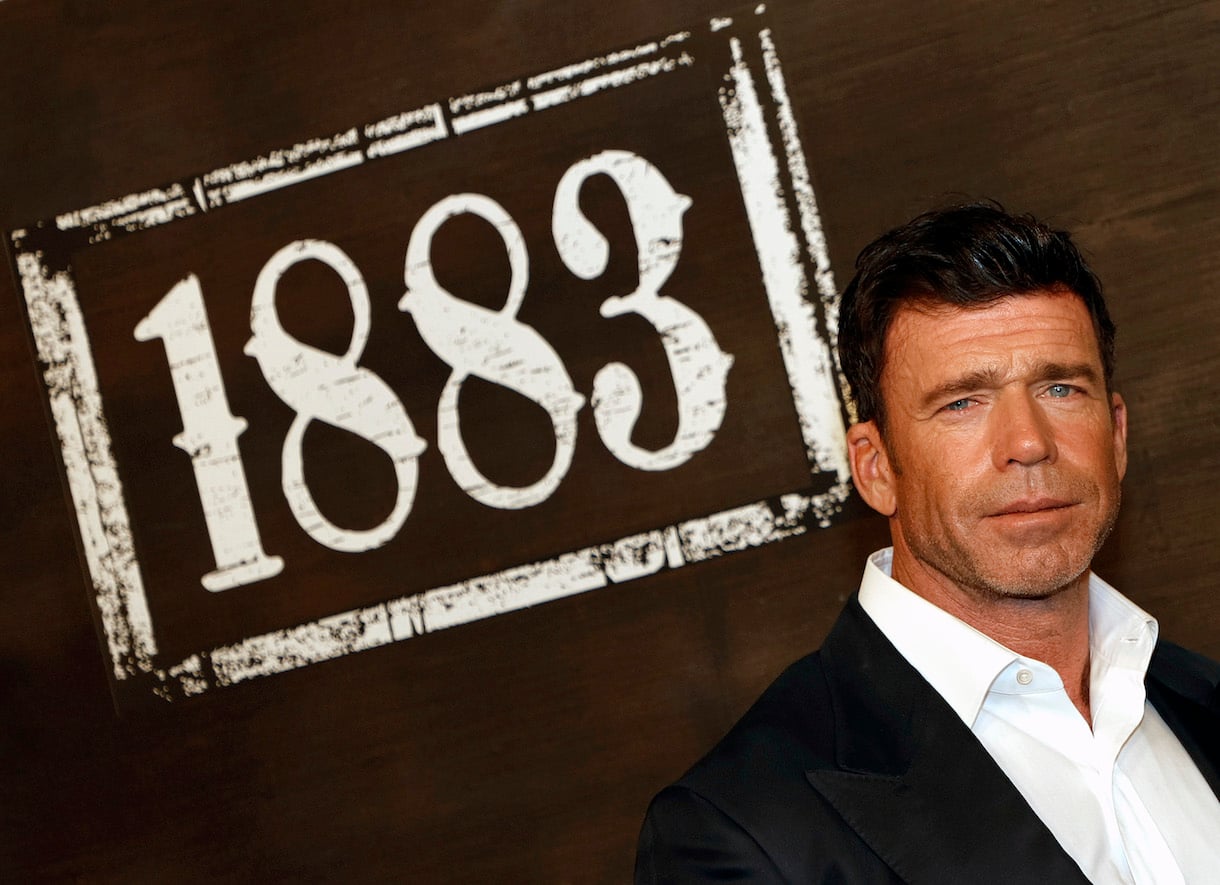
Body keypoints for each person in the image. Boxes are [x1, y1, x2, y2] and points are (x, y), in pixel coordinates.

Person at [635, 203, 1220, 883]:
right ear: (876, 468)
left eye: (1060, 387)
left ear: (1116, 435)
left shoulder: (1200, 697)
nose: (1028, 442)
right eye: (962, 402)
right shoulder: (738, 833)